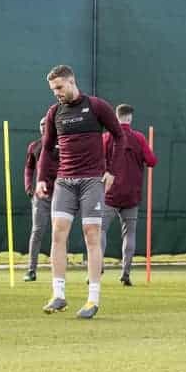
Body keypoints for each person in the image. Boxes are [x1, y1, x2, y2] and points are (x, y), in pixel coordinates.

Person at [35, 64, 125, 319]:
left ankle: (92, 299)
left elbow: (120, 137)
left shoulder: (96, 107)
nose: (57, 93)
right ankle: (58, 295)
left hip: (91, 181)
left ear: (72, 82)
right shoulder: (54, 113)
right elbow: (46, 148)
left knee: (91, 234)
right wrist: (42, 178)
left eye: (60, 88)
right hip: (64, 181)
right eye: (53, 90)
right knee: (57, 234)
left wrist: (112, 171)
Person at [101, 104, 157, 286]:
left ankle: (97, 265)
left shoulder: (107, 137)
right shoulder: (139, 138)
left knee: (100, 230)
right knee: (129, 234)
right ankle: (125, 273)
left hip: (110, 193)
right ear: (130, 118)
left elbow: (97, 160)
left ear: (116, 117)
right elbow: (151, 161)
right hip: (132, 195)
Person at [22, 118, 54, 282]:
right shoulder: (34, 146)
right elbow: (29, 168)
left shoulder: (61, 143)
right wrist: (29, 186)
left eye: (45, 125)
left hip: (61, 195)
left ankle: (58, 271)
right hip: (41, 196)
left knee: (60, 233)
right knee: (37, 231)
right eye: (41, 125)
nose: (43, 127)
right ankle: (31, 270)